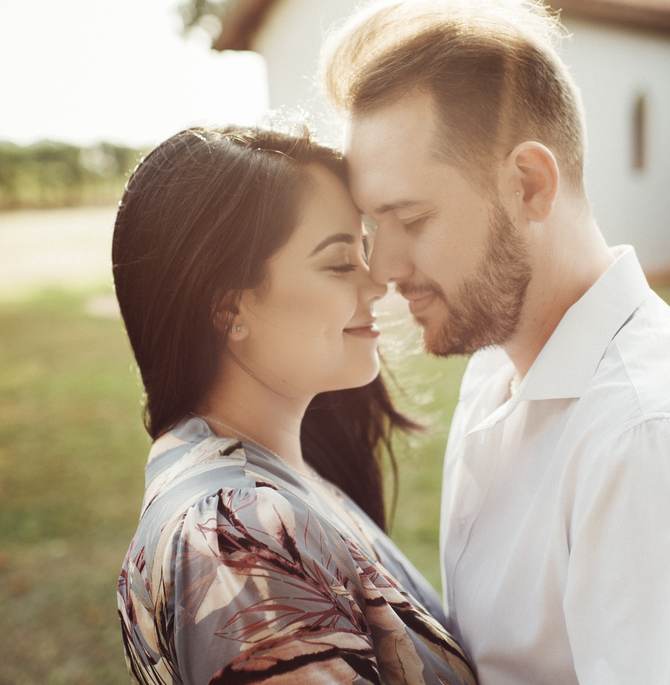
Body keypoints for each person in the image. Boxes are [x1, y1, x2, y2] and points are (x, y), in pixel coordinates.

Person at [320, 0, 670, 684]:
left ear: (528, 184)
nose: (383, 267)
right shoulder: (495, 373)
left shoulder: (657, 445)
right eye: (374, 225)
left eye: (412, 218)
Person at [111, 125, 477, 685]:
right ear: (228, 306)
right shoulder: (235, 538)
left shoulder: (283, 479)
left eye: (364, 248)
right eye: (338, 262)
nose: (380, 280)